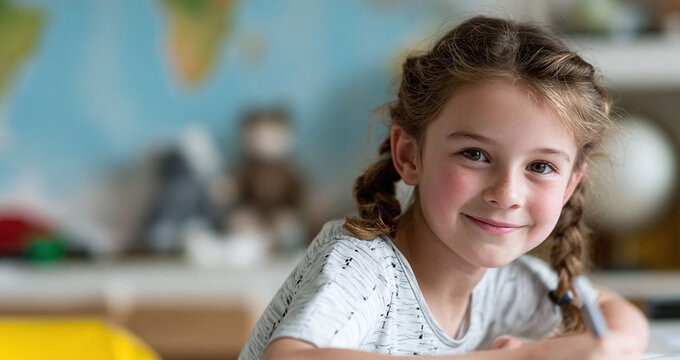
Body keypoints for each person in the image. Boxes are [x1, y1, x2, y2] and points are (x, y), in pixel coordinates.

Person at [239, 16, 649, 360]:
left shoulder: (505, 283)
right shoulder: (362, 267)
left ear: (569, 186)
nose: (506, 194)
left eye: (540, 166)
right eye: (474, 154)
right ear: (410, 156)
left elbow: (621, 315)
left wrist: (609, 346)